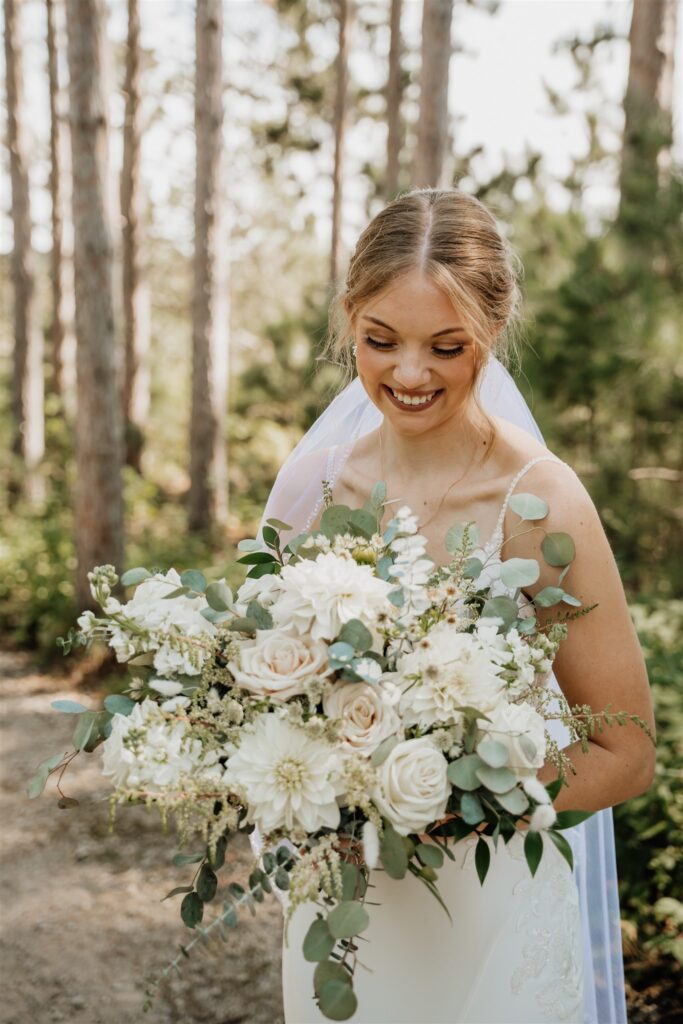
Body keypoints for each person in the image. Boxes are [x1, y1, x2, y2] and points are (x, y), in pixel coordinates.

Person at [257, 188, 655, 1023]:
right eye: (379, 341)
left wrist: (459, 800)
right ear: (348, 322)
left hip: (488, 905)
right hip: (342, 909)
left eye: (446, 345)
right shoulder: (311, 487)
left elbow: (626, 751)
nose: (408, 373)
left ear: (494, 331)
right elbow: (258, 687)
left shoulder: (538, 502)